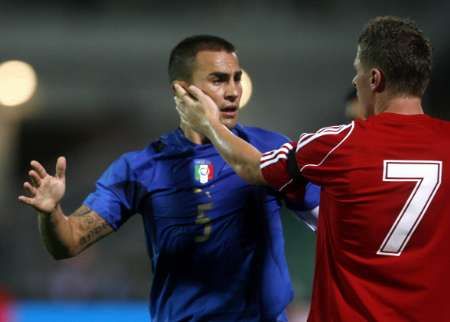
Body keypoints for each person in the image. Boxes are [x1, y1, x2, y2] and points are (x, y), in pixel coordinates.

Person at [19, 35, 320, 322]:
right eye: (218, 79)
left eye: (236, 78)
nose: (233, 91)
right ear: (182, 91)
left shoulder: (267, 149)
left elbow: (323, 217)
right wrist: (51, 213)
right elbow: (68, 242)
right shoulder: (142, 168)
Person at [174, 17, 450, 321]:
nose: (355, 82)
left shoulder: (340, 144)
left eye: (356, 72)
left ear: (374, 79)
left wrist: (208, 124)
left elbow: (251, 166)